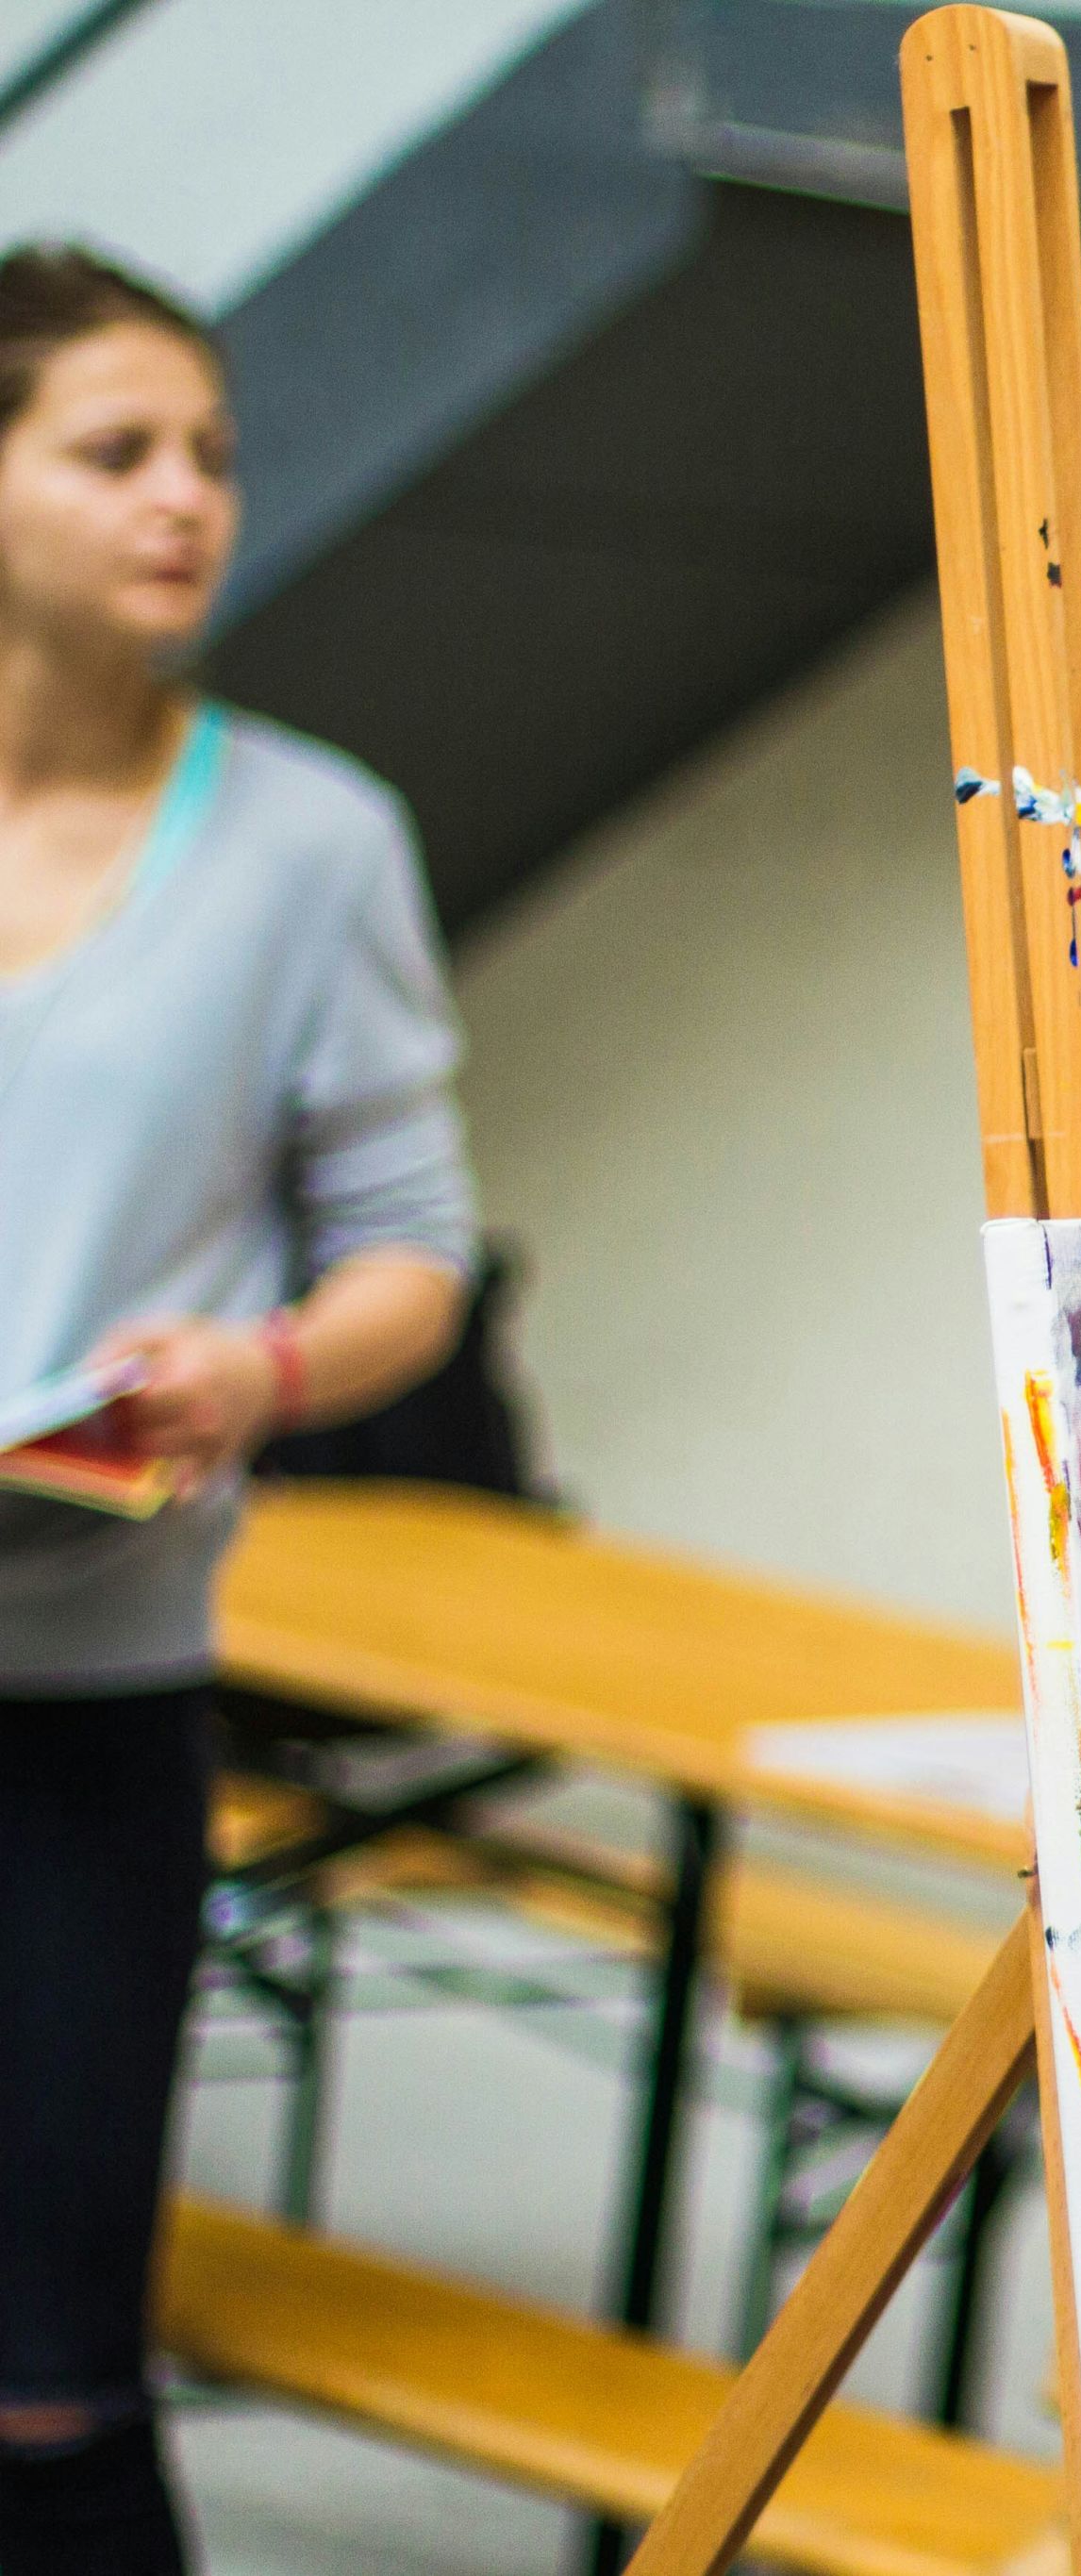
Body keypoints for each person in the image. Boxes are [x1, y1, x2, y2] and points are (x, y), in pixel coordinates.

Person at [0, 247, 474, 2575]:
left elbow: (416, 1250)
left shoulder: (308, 841)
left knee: (47, 2380)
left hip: (89, 1697)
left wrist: (256, 1369)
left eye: (209, 452)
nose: (186, 496)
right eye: (116, 450)